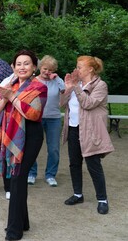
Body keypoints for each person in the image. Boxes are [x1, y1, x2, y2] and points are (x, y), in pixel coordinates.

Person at [0, 50, 47, 241]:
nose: (22, 67)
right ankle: (23, 222)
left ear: (34, 67)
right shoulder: (12, 84)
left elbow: (32, 114)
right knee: (16, 178)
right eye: (18, 64)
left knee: (17, 178)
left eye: (26, 63)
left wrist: (12, 96)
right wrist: (4, 94)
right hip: (11, 135)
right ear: (14, 67)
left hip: (31, 136)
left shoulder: (39, 86)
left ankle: (14, 230)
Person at [61, 56, 114, 215]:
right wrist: (67, 87)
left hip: (90, 131)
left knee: (94, 165)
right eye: (76, 66)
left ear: (90, 69)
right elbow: (62, 104)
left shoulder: (100, 85)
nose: (76, 70)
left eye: (80, 67)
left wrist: (76, 88)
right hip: (73, 129)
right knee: (74, 163)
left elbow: (88, 104)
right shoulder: (76, 84)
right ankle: (78, 194)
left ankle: (102, 199)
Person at [28, 55, 65, 186]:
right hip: (36, 118)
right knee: (32, 147)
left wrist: (58, 79)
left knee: (54, 148)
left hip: (54, 118)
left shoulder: (57, 81)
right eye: (45, 68)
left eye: (50, 69)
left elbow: (64, 90)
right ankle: (32, 173)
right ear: (40, 68)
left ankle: (50, 175)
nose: (47, 72)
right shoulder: (33, 81)